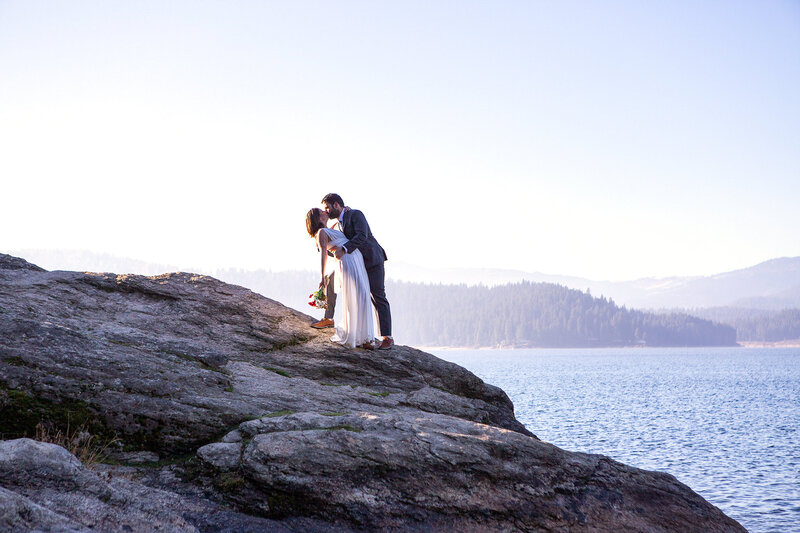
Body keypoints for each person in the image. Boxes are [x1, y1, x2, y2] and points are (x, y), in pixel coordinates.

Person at [318, 193, 393, 350]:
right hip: (356, 265)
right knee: (357, 297)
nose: (326, 211)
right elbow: (330, 245)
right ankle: (360, 333)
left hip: (372, 260)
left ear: (336, 205)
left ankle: (387, 337)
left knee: (377, 296)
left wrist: (344, 249)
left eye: (327, 207)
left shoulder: (355, 214)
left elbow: (362, 236)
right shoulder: (337, 225)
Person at [306, 207, 377, 349]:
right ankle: (357, 334)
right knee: (356, 295)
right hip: (348, 260)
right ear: (318, 218)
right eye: (322, 212)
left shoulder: (330, 228)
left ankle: (366, 336)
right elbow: (324, 255)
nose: (326, 212)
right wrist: (322, 275)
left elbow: (340, 227)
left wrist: (346, 211)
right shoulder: (321, 233)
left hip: (355, 258)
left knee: (362, 294)